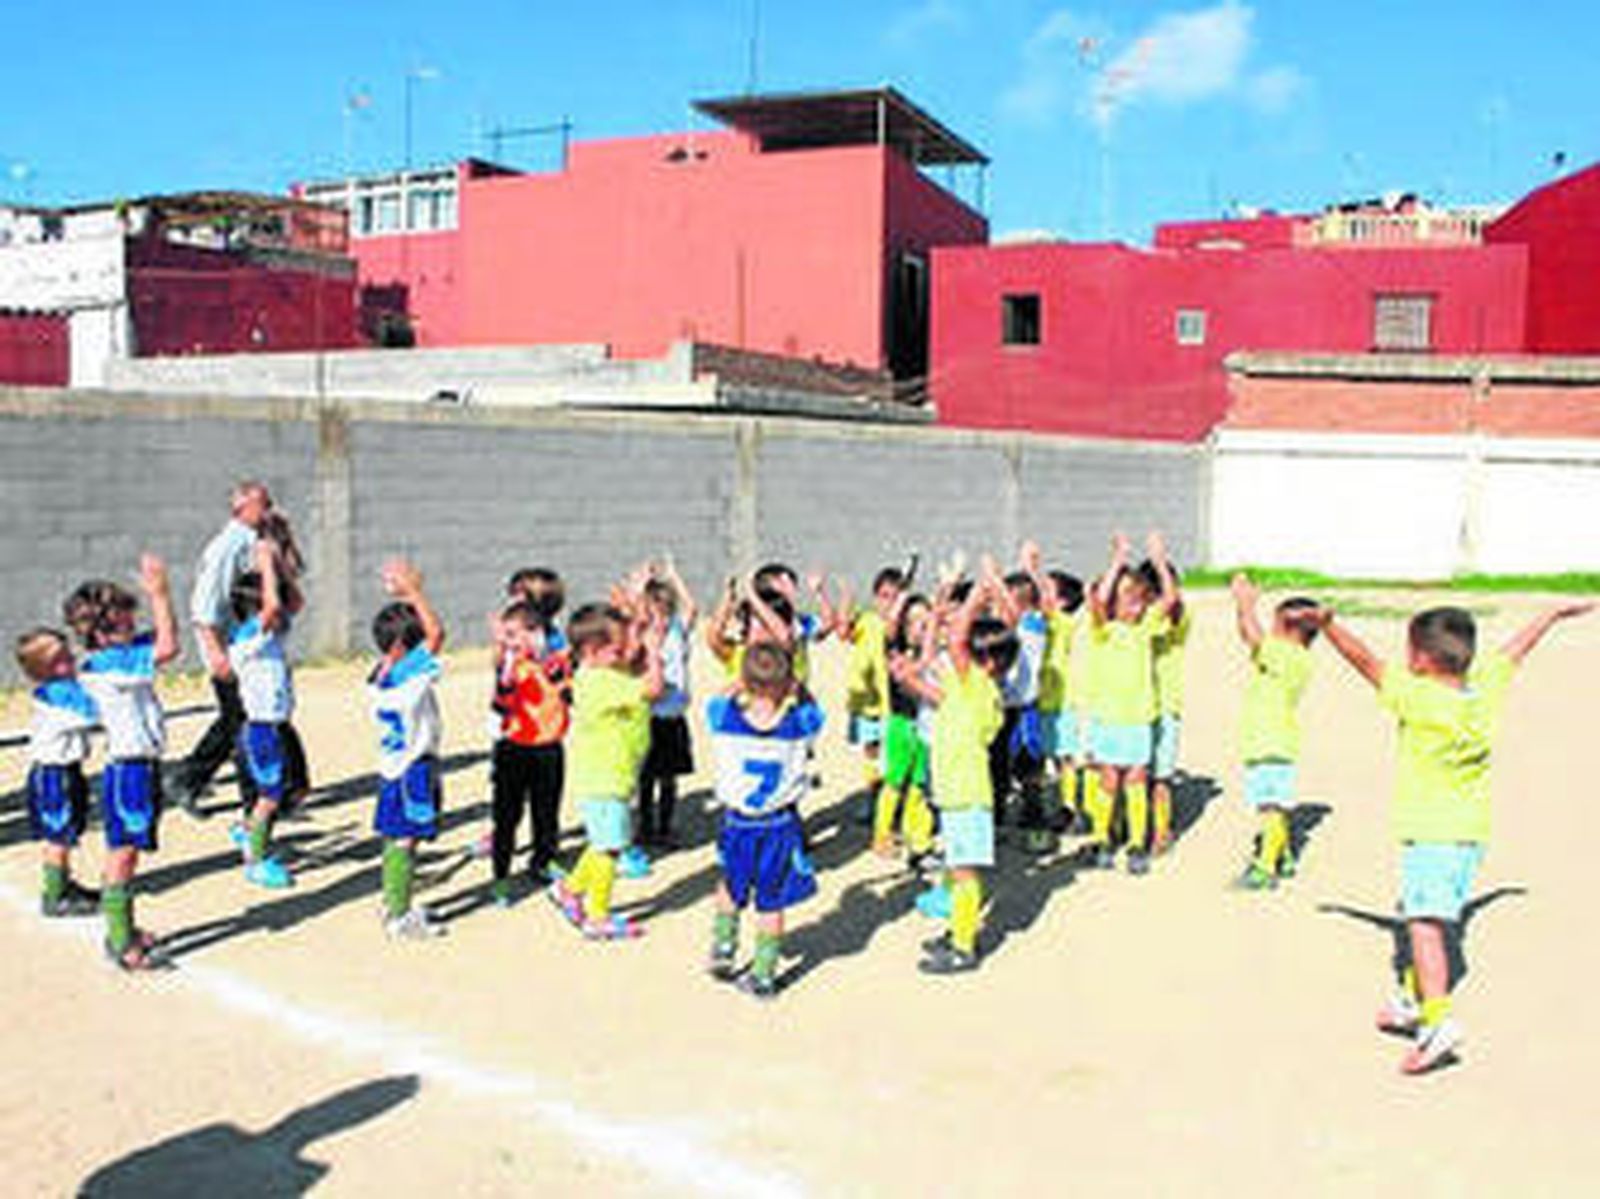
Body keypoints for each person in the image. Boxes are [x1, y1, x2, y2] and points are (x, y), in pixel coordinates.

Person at [1318, 599, 1593, 1074]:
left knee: (1424, 925)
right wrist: (1550, 615)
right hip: (1469, 836)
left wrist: (1328, 625)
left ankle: (1437, 1023)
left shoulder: (1418, 698)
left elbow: (1365, 661)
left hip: (1431, 834)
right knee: (1422, 915)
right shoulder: (1483, 689)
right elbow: (1516, 651)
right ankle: (1410, 1000)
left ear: (1421, 658)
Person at [896, 569, 1016, 975]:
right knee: (957, 867)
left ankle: (964, 946)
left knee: (965, 874)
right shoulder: (971, 692)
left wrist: (977, 594)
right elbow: (933, 694)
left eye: (967, 651)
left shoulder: (978, 688)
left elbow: (960, 635)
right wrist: (907, 678)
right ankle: (957, 930)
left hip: (967, 798)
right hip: (958, 794)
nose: (956, 649)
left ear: (987, 662)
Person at [66, 554, 181, 970]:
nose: (132, 624)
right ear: (101, 631)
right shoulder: (108, 664)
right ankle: (120, 941)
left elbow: (162, 640)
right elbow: (168, 646)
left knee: (128, 851)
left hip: (141, 767)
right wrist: (160, 594)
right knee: (123, 854)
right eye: (122, 620)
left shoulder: (118, 655)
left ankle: (124, 930)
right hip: (128, 770)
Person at [705, 643, 826, 999]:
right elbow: (814, 710)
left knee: (730, 884)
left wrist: (738, 682)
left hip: (738, 823)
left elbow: (716, 701)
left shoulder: (726, 719)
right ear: (788, 684)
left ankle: (724, 948)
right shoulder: (797, 725)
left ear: (744, 680)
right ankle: (763, 974)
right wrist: (797, 686)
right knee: (771, 900)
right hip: (780, 825)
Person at [547, 600, 664, 940]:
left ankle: (569, 889)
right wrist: (655, 653)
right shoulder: (602, 682)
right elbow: (653, 689)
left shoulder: (595, 672)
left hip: (606, 777)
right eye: (617, 649)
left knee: (601, 842)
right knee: (609, 848)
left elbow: (629, 655)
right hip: (606, 780)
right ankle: (597, 915)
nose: (626, 653)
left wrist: (641, 624)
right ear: (593, 650)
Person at [170, 480, 279, 817]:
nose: (269, 509)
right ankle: (248, 799)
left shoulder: (250, 542)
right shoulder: (229, 546)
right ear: (242, 507)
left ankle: (190, 780)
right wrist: (215, 652)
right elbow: (204, 605)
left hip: (240, 646)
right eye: (263, 503)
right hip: (228, 650)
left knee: (236, 719)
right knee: (242, 722)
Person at [1084, 532, 1177, 875]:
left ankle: (1137, 842)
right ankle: (1102, 838)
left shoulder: (1145, 629)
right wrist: (1117, 561)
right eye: (1128, 600)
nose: (1136, 607)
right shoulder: (1103, 630)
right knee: (1109, 780)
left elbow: (1169, 599)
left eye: (1140, 600)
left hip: (1139, 719)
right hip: (1108, 719)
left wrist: (1157, 560)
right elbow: (1096, 600)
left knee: (1137, 780)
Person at [367, 559, 448, 940]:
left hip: (392, 768)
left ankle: (393, 900)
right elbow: (436, 635)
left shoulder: (382, 673)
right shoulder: (409, 679)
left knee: (395, 835)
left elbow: (422, 640)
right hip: (413, 769)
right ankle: (398, 916)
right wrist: (413, 590)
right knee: (406, 838)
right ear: (403, 647)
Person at [1228, 575, 1321, 890]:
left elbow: (1254, 638)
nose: (1270, 629)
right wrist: (1242, 610)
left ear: (1289, 630)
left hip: (1272, 742)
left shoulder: (1290, 657)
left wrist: (1245, 603)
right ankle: (1280, 853)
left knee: (1271, 806)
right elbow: (1249, 635)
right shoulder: (1283, 654)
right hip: (1264, 740)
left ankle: (1266, 867)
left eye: (1276, 624)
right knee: (1269, 805)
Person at [226, 537, 309, 890]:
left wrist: (280, 568)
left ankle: (249, 831)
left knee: (299, 788)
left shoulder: (269, 634)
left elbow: (293, 602)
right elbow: (274, 604)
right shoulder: (248, 638)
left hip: (280, 726)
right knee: (270, 796)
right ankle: (255, 860)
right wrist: (265, 565)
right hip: (260, 730)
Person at [486, 598, 571, 905]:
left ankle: (543, 860)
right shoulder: (510, 669)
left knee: (546, 813)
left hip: (549, 749)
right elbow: (500, 703)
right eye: (506, 635)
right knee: (506, 817)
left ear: (538, 633)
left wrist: (550, 663)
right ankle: (500, 876)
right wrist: (507, 660)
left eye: (517, 634)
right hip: (513, 750)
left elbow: (570, 695)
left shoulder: (554, 663)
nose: (511, 642)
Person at [13, 627, 100, 917]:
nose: (72, 660)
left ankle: (63, 882)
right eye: (63, 659)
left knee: (67, 829)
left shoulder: (61, 688)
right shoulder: (59, 694)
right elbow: (92, 714)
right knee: (59, 835)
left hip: (64, 770)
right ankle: (55, 894)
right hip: (55, 774)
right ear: (45, 669)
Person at [638, 559, 698, 849]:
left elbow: (692, 608)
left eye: (665, 611)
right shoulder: (642, 635)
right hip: (649, 717)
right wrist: (641, 589)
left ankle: (665, 827)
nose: (660, 617)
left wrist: (674, 576)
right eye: (654, 612)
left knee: (669, 779)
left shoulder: (677, 630)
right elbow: (631, 615)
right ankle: (646, 828)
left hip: (673, 717)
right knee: (646, 778)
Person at [1142, 537, 1190, 855]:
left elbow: (1172, 605)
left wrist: (1160, 564)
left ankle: (1161, 830)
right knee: (1134, 773)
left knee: (1160, 777)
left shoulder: (1178, 615)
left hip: (1165, 706)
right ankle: (1133, 827)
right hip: (1133, 707)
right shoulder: (1137, 620)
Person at [1037, 568, 1087, 835]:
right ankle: (1053, 806)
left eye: (1048, 590)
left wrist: (1033, 568)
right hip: (1041, 700)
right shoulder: (1040, 621)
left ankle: (1070, 807)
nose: (1040, 594)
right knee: (1050, 757)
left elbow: (1047, 612)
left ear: (1063, 602)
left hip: (1062, 701)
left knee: (1066, 756)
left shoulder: (1064, 622)